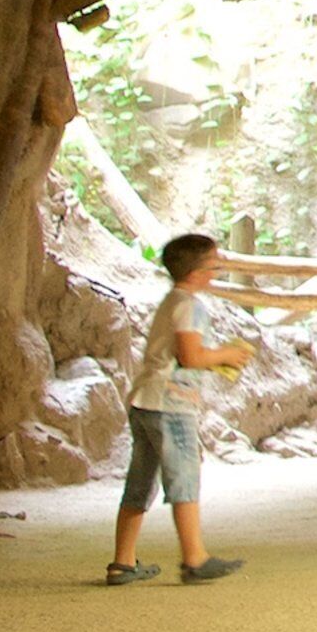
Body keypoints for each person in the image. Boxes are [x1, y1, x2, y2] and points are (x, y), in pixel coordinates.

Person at [106, 232, 253, 585]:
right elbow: (190, 357)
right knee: (184, 476)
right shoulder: (190, 305)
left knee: (140, 481)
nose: (218, 268)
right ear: (198, 270)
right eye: (215, 262)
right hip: (171, 404)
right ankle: (194, 558)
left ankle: (123, 562)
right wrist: (226, 355)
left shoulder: (172, 301)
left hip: (146, 400)